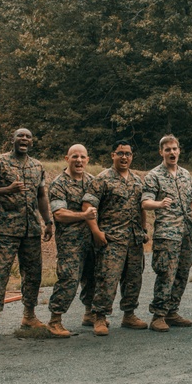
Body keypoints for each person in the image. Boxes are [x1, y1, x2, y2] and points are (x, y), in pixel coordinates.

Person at [0, 128, 54, 341]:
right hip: (4, 229)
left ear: (32, 142)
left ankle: (29, 316)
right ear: (12, 139)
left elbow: (41, 196)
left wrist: (48, 221)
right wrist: (7, 190)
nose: (24, 139)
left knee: (33, 274)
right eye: (20, 136)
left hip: (30, 229)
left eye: (28, 137)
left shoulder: (37, 166)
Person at [81, 140, 147, 336]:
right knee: (107, 279)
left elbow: (141, 207)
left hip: (134, 239)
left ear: (132, 156)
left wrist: (143, 230)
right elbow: (88, 206)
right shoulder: (102, 179)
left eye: (127, 153)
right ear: (113, 155)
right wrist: (96, 232)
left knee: (133, 278)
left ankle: (129, 314)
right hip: (112, 238)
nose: (124, 157)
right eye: (120, 153)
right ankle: (99, 317)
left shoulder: (137, 180)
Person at [141, 135, 192, 332]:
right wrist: (160, 203)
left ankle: (172, 311)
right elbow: (145, 202)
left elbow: (190, 200)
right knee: (166, 274)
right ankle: (158, 315)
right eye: (167, 150)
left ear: (179, 150)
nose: (172, 152)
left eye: (174, 149)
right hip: (167, 234)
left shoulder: (185, 175)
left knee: (182, 272)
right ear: (161, 152)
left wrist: (190, 218)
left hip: (185, 233)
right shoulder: (154, 176)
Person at [45, 144, 97, 337]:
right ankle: (55, 320)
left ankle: (90, 313)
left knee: (92, 277)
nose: (79, 160)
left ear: (88, 160)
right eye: (75, 156)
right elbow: (59, 214)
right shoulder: (59, 183)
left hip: (91, 240)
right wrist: (83, 215)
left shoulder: (92, 181)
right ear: (66, 159)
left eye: (83, 157)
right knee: (69, 279)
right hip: (70, 242)